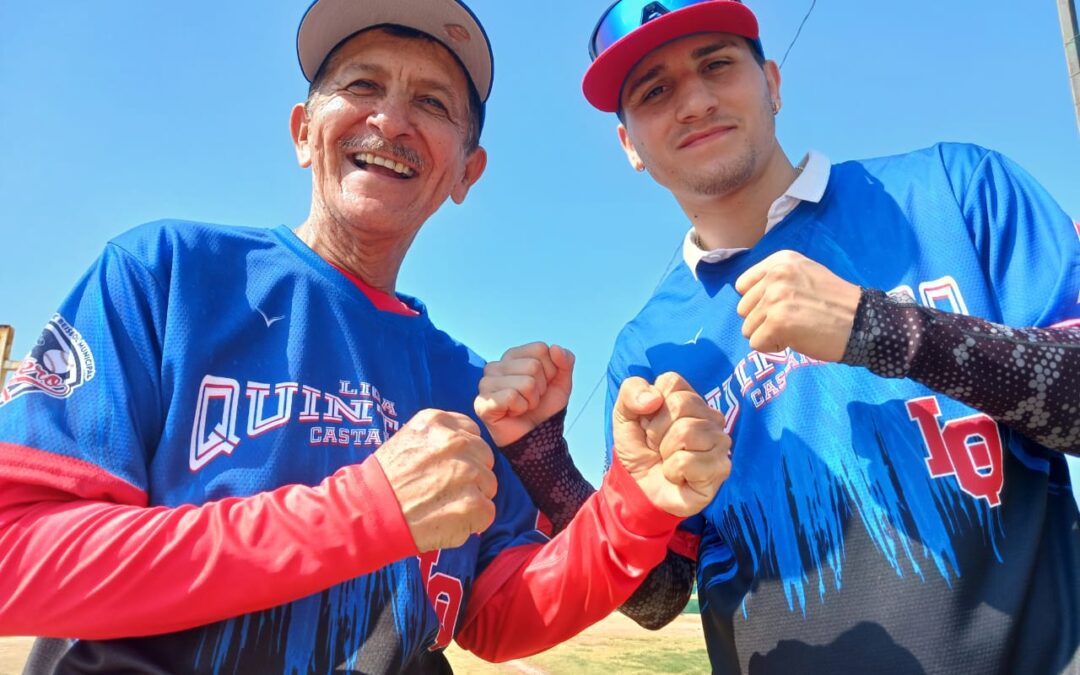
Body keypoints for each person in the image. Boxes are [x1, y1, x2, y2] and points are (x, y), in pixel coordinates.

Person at [0, 1, 733, 673]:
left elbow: (496, 613)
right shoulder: (168, 276)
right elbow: (16, 555)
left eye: (432, 102)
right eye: (361, 85)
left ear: (465, 174)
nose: (390, 119)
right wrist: (366, 512)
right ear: (301, 132)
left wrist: (635, 504)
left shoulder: (462, 385)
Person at [503, 0, 1080, 672]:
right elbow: (662, 595)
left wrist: (878, 327)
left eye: (716, 63)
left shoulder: (955, 188)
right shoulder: (648, 348)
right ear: (629, 144)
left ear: (772, 82)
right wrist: (544, 463)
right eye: (654, 90)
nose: (693, 101)